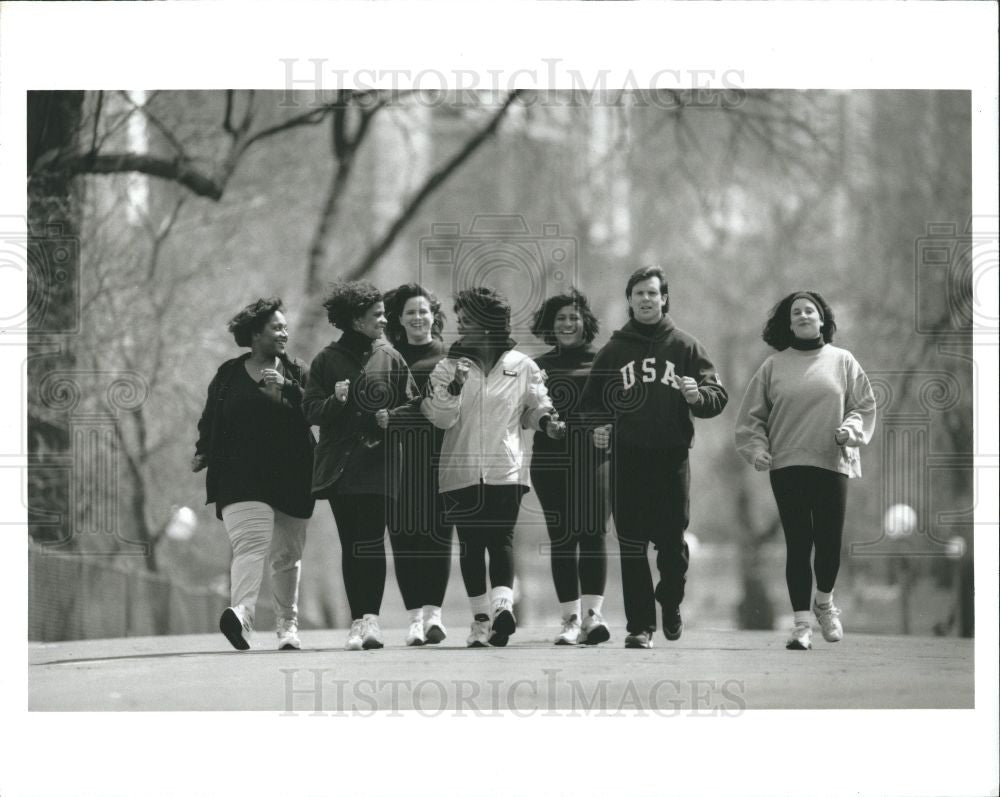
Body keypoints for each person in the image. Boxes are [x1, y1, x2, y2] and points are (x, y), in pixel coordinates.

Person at [581, 267, 728, 649]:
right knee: (631, 544)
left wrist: (697, 396)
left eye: (652, 293)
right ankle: (640, 626)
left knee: (672, 545)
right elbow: (590, 405)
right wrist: (599, 426)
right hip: (628, 460)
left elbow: (717, 398)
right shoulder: (614, 351)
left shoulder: (686, 347)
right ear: (629, 300)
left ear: (664, 298)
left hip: (671, 459)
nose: (646, 299)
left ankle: (670, 600)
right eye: (638, 293)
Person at [735, 291, 876, 650]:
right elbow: (751, 418)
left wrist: (851, 430)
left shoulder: (843, 361)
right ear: (788, 322)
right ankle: (800, 625)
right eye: (795, 312)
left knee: (829, 542)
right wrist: (758, 451)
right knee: (799, 544)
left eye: (809, 310)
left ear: (822, 319)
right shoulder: (772, 366)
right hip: (787, 465)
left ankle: (825, 603)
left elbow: (863, 405)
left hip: (832, 461)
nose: (802, 315)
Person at [423, 287, 563, 647]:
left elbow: (535, 407)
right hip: (460, 471)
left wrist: (547, 421)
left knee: (500, 538)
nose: (461, 325)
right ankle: (481, 621)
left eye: (467, 319)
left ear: (487, 324)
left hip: (506, 469)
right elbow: (440, 419)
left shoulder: (522, 365)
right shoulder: (447, 367)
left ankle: (502, 609)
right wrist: (454, 387)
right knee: (471, 545)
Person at [192, 297, 315, 652]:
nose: (284, 332)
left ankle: (287, 625)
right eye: (276, 327)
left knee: (287, 557)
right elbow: (210, 419)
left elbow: (316, 411)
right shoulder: (228, 374)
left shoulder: (296, 371)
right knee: (249, 545)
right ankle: (242, 614)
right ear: (255, 333)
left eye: (285, 326)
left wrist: (289, 389)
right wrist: (202, 451)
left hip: (292, 475)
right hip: (240, 477)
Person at [302, 281, 417, 651]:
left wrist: (392, 418)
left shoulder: (392, 357)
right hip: (340, 467)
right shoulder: (326, 360)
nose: (385, 320)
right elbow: (309, 411)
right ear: (355, 319)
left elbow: (415, 406)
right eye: (377, 315)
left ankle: (371, 622)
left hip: (380, 465)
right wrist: (335, 402)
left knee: (370, 542)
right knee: (352, 545)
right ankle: (358, 621)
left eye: (384, 314)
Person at [529, 289, 612, 646]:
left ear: (585, 323)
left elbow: (621, 407)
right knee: (562, 539)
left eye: (573, 318)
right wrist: (543, 421)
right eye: (560, 318)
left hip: (595, 459)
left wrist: (610, 429)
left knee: (592, 533)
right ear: (550, 324)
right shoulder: (537, 366)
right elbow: (525, 411)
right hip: (550, 460)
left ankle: (594, 617)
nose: (567, 324)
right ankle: (569, 619)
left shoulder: (606, 360)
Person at [382, 282, 453, 645]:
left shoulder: (450, 356)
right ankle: (413, 620)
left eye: (424, 310)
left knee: (438, 538)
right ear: (399, 318)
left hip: (442, 459)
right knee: (405, 539)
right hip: (400, 461)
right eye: (410, 311)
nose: (418, 317)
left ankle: (434, 616)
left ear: (433, 315)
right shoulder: (390, 359)